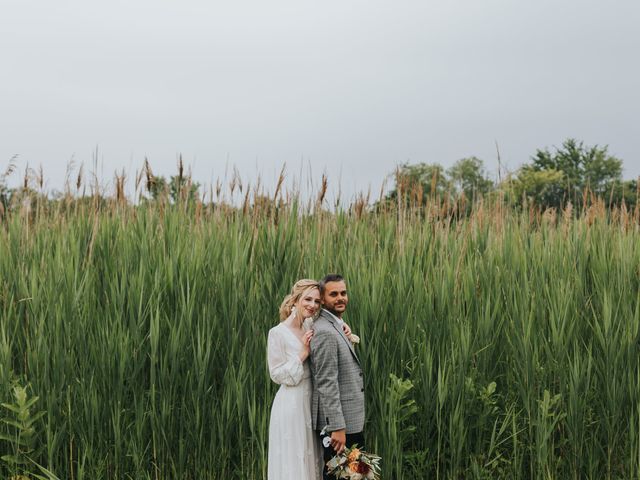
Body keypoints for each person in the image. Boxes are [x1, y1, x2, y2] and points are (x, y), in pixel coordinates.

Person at [266, 279, 353, 480]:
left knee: (314, 457)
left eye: (316, 301)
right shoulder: (277, 333)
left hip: (313, 403)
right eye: (307, 299)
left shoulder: (311, 325)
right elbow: (276, 374)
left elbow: (330, 340)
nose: (312, 305)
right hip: (291, 405)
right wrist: (303, 353)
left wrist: (344, 328)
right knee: (294, 459)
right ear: (295, 300)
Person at [309, 274, 365, 480]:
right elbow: (327, 382)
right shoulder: (325, 332)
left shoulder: (336, 326)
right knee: (338, 475)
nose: (340, 297)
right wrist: (337, 427)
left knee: (353, 474)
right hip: (340, 427)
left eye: (343, 293)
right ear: (322, 299)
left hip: (350, 419)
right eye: (334, 294)